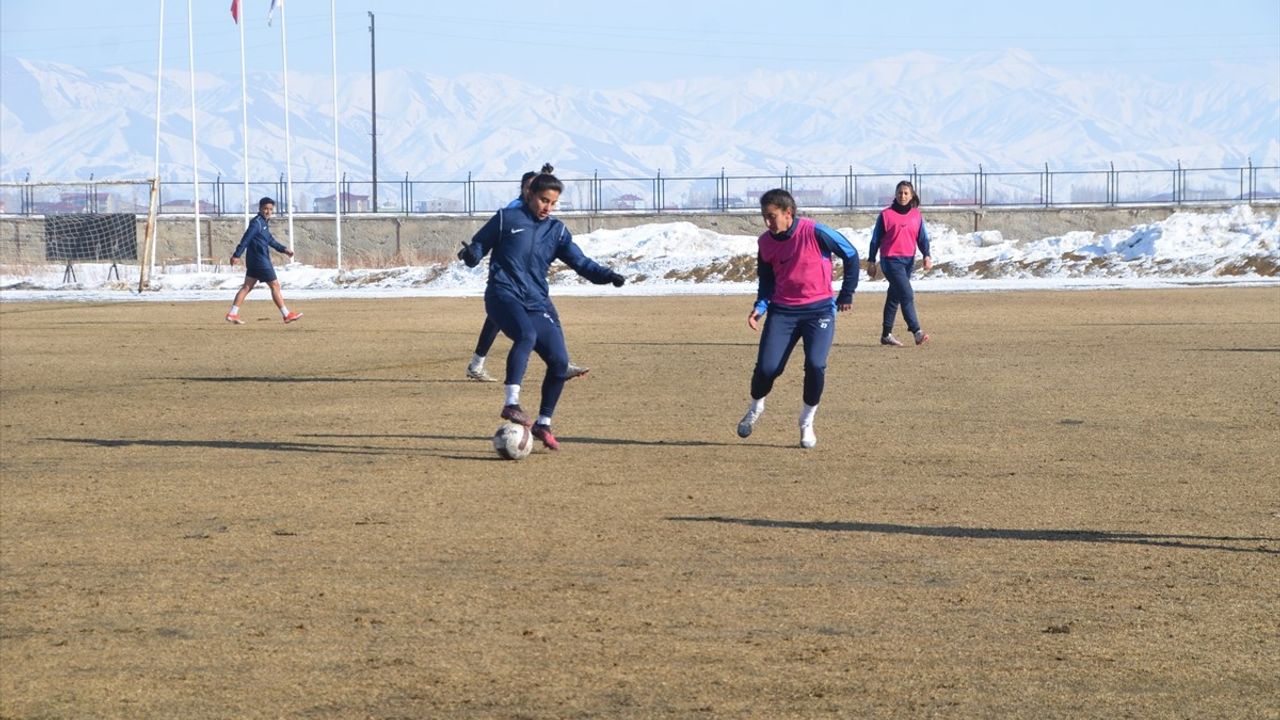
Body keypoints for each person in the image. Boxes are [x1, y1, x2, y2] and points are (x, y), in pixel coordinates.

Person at [459, 171, 626, 451]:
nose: (547, 207)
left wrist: (608, 275)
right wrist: (472, 254)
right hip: (502, 294)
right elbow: (478, 246)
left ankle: (543, 423)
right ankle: (511, 404)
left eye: (553, 202)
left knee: (560, 362)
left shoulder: (556, 230)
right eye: (543, 200)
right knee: (526, 335)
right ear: (529, 195)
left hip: (536, 301)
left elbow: (582, 263)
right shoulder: (505, 219)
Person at [736, 188, 859, 449]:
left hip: (820, 312)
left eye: (772, 216)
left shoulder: (816, 232)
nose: (767, 222)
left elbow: (850, 254)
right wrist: (760, 306)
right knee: (768, 369)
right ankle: (756, 406)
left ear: (788, 213)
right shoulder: (765, 243)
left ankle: (806, 421)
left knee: (815, 365)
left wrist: (846, 293)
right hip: (783, 312)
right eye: (764, 217)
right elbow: (767, 281)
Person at [463, 163, 589, 382]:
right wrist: (475, 251)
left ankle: (561, 362)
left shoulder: (539, 211)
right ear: (526, 190)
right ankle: (479, 366)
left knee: (545, 315)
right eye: (533, 186)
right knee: (500, 322)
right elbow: (490, 238)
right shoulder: (513, 210)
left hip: (528, 284)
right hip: (509, 281)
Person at [867, 180, 931, 346]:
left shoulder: (916, 215)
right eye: (899, 193)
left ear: (911, 195)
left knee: (894, 296)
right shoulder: (886, 215)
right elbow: (875, 240)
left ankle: (886, 335)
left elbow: (922, 237)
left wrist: (926, 255)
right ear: (895, 195)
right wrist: (871, 261)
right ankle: (916, 331)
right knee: (907, 294)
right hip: (890, 260)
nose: (902, 196)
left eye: (905, 193)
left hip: (908, 260)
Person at [225, 197, 301, 325]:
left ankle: (232, 313)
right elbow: (246, 239)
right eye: (265, 208)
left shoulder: (263, 223)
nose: (268, 211)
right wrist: (236, 255)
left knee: (247, 287)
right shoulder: (257, 223)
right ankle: (286, 315)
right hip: (261, 261)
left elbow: (270, 240)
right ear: (260, 209)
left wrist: (284, 249)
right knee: (275, 286)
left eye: (270, 209)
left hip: (254, 261)